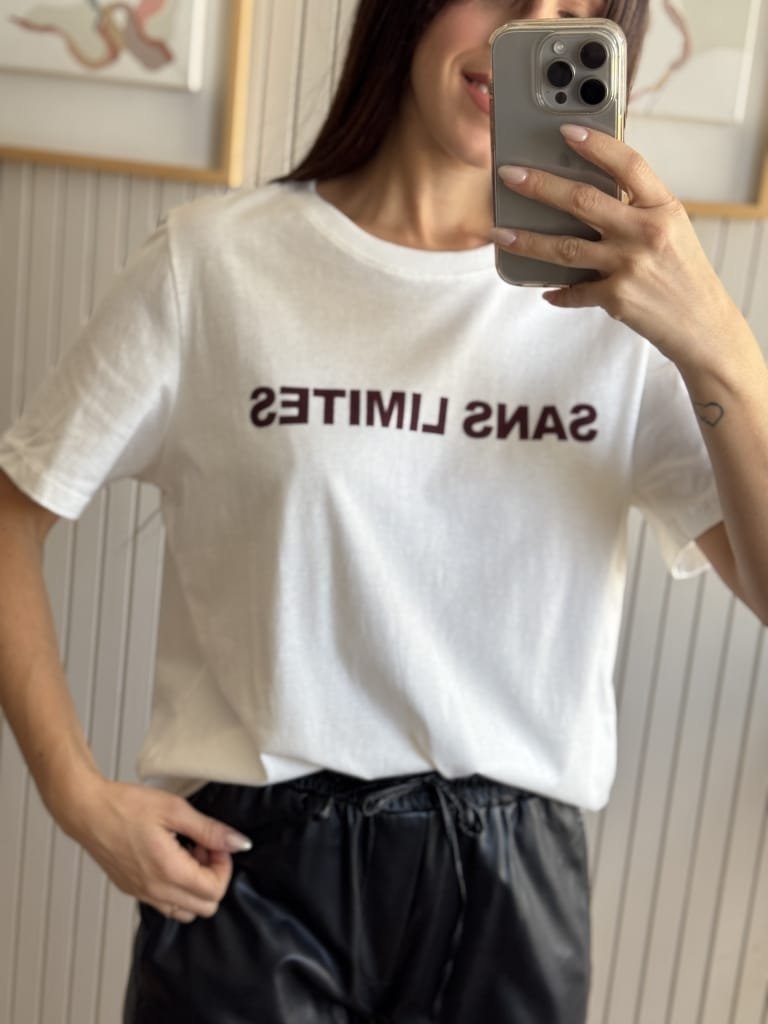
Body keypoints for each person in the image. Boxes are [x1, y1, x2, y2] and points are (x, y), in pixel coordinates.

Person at [0, 0, 766, 1021]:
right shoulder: (214, 264)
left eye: (577, 9)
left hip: (511, 891)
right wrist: (76, 796)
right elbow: (11, 516)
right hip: (252, 879)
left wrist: (718, 340)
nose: (530, 24)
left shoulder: (623, 305)